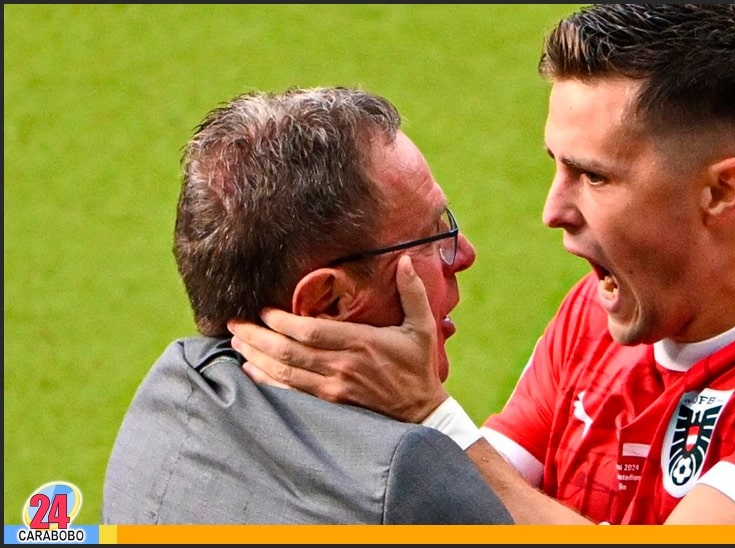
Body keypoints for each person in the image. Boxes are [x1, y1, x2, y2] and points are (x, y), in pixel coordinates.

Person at [227, 4, 735, 525]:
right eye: (556, 167)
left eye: (594, 177)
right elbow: (474, 505)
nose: (553, 209)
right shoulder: (600, 315)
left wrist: (426, 415)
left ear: (720, 190)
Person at [101, 86, 514, 525]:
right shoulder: (406, 481)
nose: (465, 254)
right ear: (329, 303)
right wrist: (435, 415)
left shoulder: (163, 403)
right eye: (434, 236)